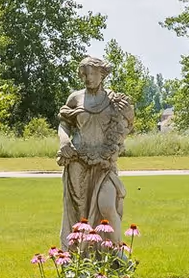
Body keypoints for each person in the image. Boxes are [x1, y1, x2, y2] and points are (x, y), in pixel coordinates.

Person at [57, 54, 133, 244]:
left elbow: (126, 126)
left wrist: (128, 112)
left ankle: (117, 251)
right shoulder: (75, 98)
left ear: (102, 73)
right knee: (79, 213)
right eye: (83, 75)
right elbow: (64, 124)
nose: (87, 78)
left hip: (104, 163)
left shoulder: (114, 100)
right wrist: (64, 141)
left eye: (90, 73)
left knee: (107, 205)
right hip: (78, 162)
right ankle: (82, 257)